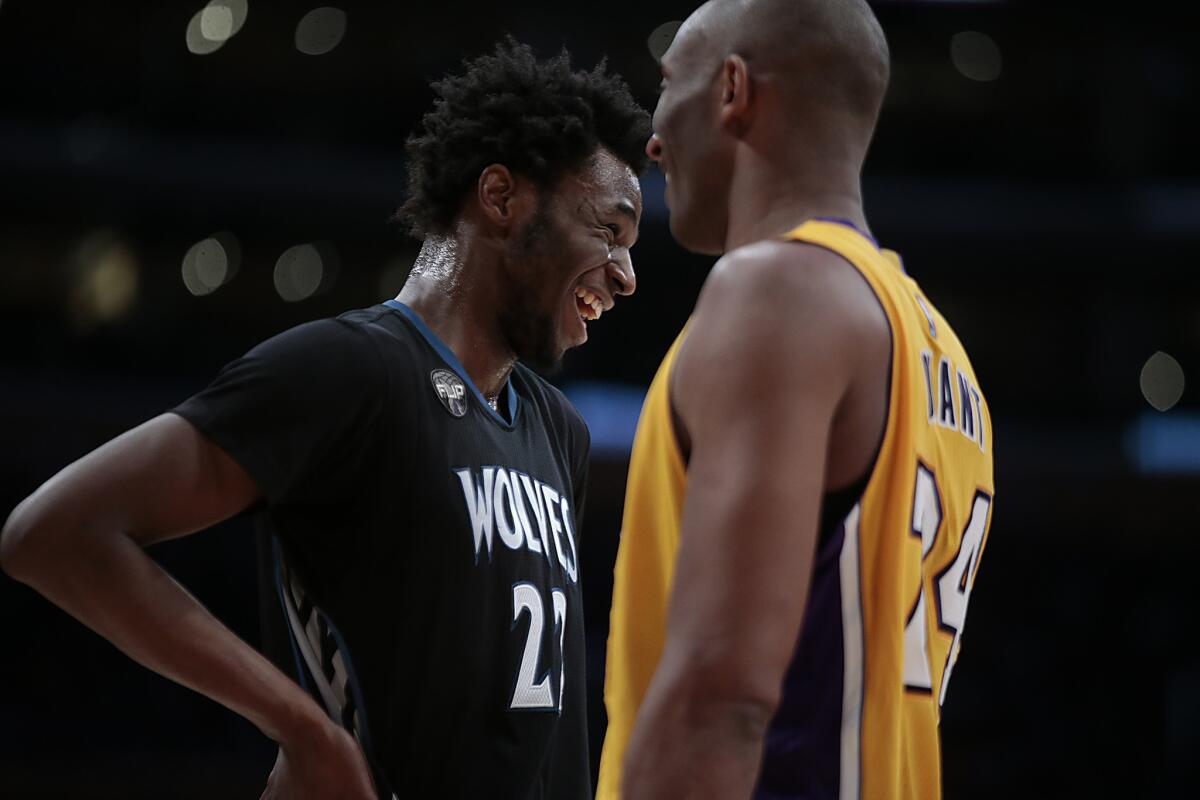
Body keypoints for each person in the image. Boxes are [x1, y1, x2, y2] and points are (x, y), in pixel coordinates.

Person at [0, 38, 649, 799]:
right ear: (502, 199)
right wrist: (300, 727)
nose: (628, 276)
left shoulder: (557, 429)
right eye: (609, 230)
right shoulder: (351, 371)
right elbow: (52, 534)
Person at [596, 1, 995, 798]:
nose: (652, 136)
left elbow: (721, 696)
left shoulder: (779, 292)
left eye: (670, 84)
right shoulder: (939, 348)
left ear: (734, 90)